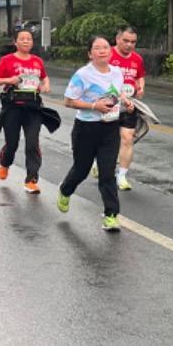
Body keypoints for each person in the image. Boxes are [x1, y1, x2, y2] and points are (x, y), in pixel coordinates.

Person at [57, 36, 133, 232]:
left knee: (107, 173)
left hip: (110, 128)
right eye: (97, 48)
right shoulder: (82, 75)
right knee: (81, 170)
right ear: (90, 53)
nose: (102, 51)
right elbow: (68, 101)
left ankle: (111, 215)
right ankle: (65, 190)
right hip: (86, 128)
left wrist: (125, 101)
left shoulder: (116, 72)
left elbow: (116, 92)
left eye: (105, 47)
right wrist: (94, 106)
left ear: (111, 51)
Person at [0, 28, 50, 193]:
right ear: (15, 42)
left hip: (33, 108)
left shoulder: (37, 61)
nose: (25, 41)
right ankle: (4, 163)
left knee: (32, 144)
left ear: (32, 42)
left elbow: (44, 76)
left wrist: (45, 85)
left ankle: (31, 180)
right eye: (22, 39)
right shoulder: (7, 60)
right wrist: (10, 80)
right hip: (13, 108)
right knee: (12, 144)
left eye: (28, 39)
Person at [110, 25, 146, 191]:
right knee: (108, 139)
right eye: (126, 41)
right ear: (117, 39)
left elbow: (140, 76)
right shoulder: (107, 54)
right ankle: (98, 162)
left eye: (133, 42)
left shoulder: (137, 59)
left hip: (129, 105)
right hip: (109, 104)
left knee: (127, 138)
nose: (129, 45)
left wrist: (141, 87)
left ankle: (122, 176)